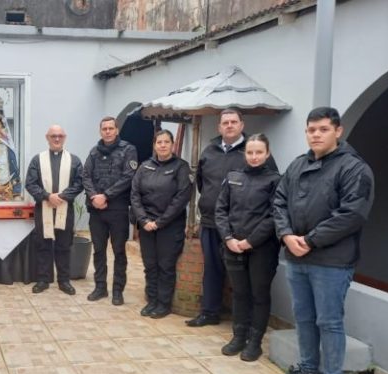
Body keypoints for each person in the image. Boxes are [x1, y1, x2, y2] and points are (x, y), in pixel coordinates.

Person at [273, 107, 374, 374]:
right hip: (296, 256)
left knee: (328, 321)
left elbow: (352, 214)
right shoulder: (297, 165)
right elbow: (278, 201)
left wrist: (310, 240)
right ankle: (308, 370)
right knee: (303, 317)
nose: (315, 134)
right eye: (311, 129)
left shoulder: (354, 168)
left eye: (322, 129)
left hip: (331, 260)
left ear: (337, 131)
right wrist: (287, 235)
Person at [187, 108, 277, 327]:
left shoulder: (252, 151)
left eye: (233, 122)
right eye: (225, 122)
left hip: (242, 229)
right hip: (211, 221)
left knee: (245, 278)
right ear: (219, 127)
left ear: (241, 125)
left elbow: (269, 186)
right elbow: (201, 182)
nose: (229, 125)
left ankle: (245, 326)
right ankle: (209, 312)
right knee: (212, 269)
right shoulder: (209, 151)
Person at [215, 134, 280, 361]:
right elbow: (221, 210)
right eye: (250, 152)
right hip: (233, 246)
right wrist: (228, 238)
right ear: (245, 154)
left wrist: (250, 241)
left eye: (259, 152)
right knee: (240, 293)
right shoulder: (233, 177)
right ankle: (238, 337)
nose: (254, 157)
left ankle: (255, 342)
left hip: (261, 248)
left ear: (267, 153)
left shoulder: (275, 180)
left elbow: (275, 216)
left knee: (259, 295)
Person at [131, 129, 192, 318]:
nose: (163, 145)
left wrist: (160, 222)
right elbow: (135, 195)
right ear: (154, 145)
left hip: (169, 226)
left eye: (166, 142)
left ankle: (163, 304)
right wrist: (144, 220)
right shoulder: (145, 167)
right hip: (147, 224)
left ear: (172, 145)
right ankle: (152, 301)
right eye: (159, 142)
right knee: (150, 265)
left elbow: (182, 197)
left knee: (165, 266)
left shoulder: (181, 167)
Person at [82, 116, 138, 306]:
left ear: (117, 130)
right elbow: (86, 176)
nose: (107, 131)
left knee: (119, 251)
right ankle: (100, 288)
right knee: (99, 251)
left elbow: (128, 176)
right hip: (96, 210)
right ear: (101, 131)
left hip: (117, 209)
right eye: (104, 128)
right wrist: (93, 197)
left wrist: (105, 196)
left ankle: (117, 291)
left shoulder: (128, 150)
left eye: (110, 128)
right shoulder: (93, 151)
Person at [24, 125, 84, 295]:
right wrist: (47, 196)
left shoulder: (74, 160)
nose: (57, 139)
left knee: (64, 245)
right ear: (47, 138)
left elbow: (79, 183)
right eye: (53, 136)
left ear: (64, 137)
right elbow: (30, 183)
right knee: (43, 245)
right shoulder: (38, 160)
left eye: (60, 136)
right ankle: (43, 280)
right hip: (44, 208)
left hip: (66, 209)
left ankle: (64, 281)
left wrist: (62, 196)